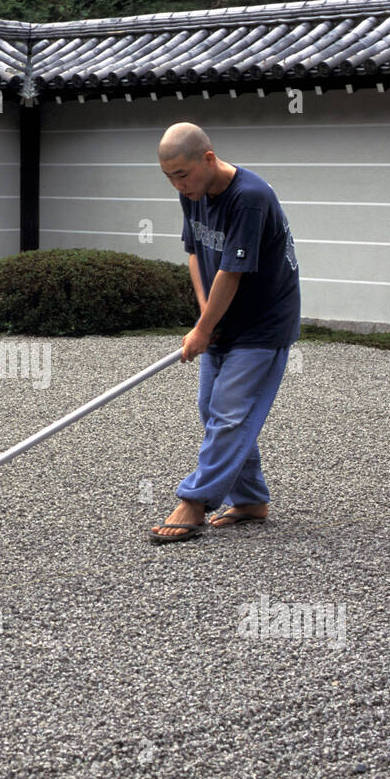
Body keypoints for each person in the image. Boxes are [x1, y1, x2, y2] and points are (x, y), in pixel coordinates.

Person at [149, 122, 300, 543]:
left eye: (183, 174)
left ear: (208, 159)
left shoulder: (249, 198)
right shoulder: (192, 195)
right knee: (212, 410)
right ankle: (250, 499)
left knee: (230, 413)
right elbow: (196, 253)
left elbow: (231, 272)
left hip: (263, 322)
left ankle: (194, 501)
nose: (178, 185)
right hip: (223, 317)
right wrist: (205, 320)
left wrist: (203, 329)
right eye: (169, 178)